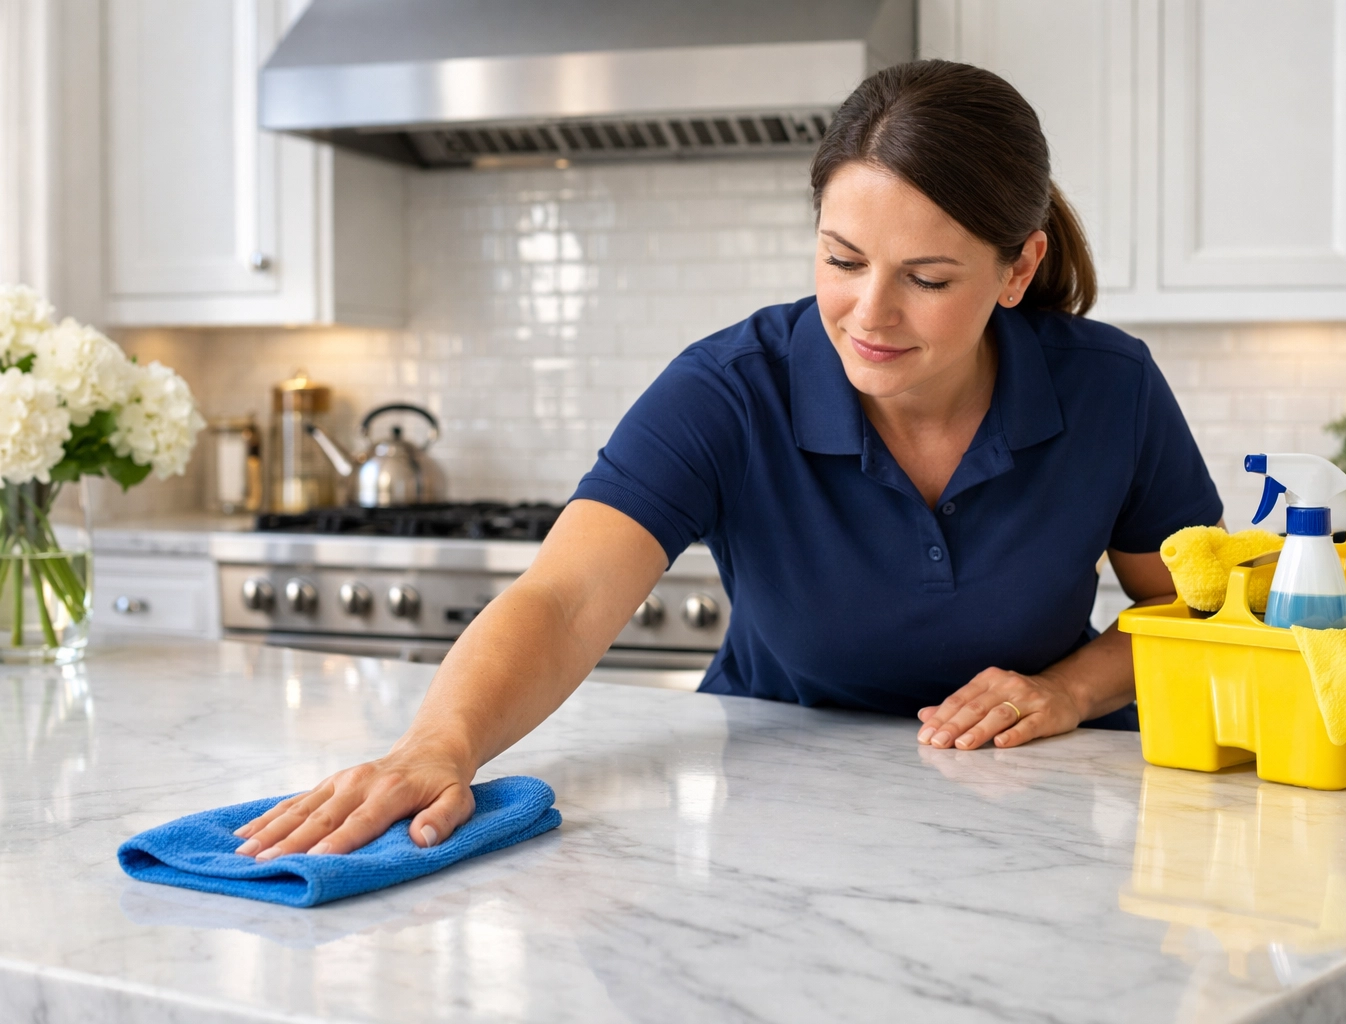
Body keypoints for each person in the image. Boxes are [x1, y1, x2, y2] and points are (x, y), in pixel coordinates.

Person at [233, 60, 1223, 861]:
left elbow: (1196, 616)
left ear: (1019, 268)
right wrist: (437, 746)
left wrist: (1067, 691)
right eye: (841, 260)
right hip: (778, 808)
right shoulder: (732, 388)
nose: (869, 315)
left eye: (925, 278)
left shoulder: (1111, 388)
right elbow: (566, 598)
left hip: (1035, 818)